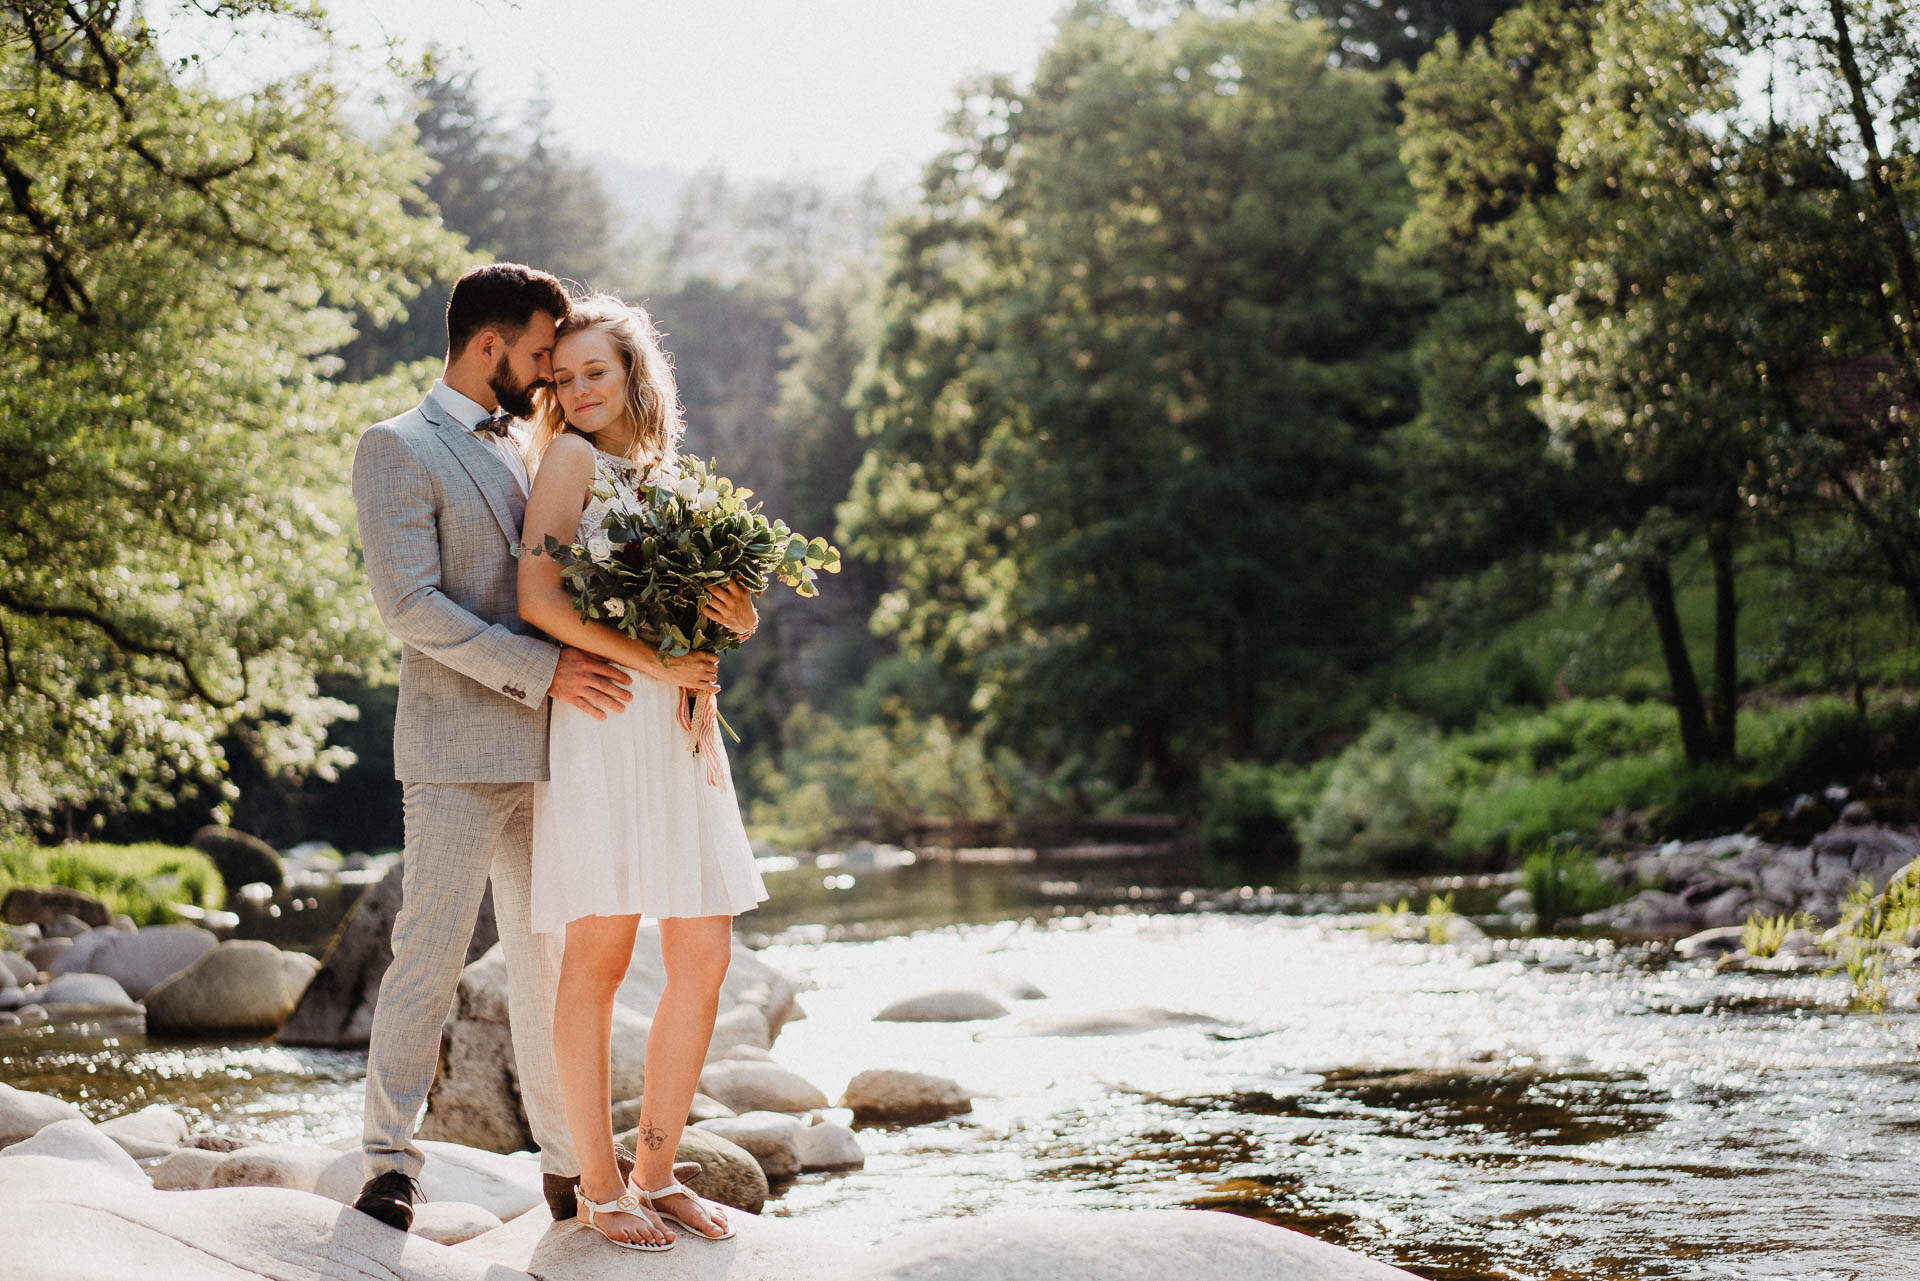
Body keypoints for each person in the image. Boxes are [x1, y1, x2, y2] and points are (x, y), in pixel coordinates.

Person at [348, 264, 710, 1233]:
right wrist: (541, 671)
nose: (553, 374)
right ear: (489, 346)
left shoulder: (537, 446)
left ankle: (567, 1163)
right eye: (543, 354)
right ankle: (389, 1162)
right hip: (458, 750)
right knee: (428, 958)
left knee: (549, 965)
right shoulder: (395, 446)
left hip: (564, 749)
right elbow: (409, 606)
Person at [516, 293, 768, 1251]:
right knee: (601, 956)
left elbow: (724, 617)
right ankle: (598, 1185)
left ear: (632, 373)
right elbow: (537, 597)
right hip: (609, 718)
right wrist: (653, 664)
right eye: (564, 377)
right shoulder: (570, 462)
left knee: (705, 955)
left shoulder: (669, 476)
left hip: (682, 728)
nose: (579, 390)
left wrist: (729, 612)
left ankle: (657, 1174)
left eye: (596, 371)